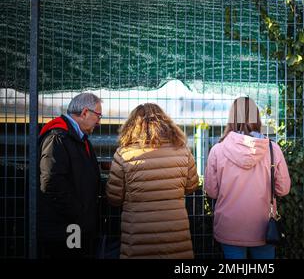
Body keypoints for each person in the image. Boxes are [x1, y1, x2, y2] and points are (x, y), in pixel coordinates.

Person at [106, 103, 199, 259]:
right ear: (166, 123)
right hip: (174, 235)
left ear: (131, 126)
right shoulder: (182, 150)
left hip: (138, 237)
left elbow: (114, 198)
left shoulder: (124, 154)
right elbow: (192, 186)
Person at [204, 97, 291, 259]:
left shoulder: (217, 150)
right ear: (257, 117)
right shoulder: (273, 149)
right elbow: (283, 189)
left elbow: (211, 192)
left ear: (232, 118)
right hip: (264, 227)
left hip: (229, 227)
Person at [38, 93, 103, 258]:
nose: (100, 121)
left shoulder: (76, 137)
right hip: (67, 226)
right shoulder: (58, 137)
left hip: (74, 224)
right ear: (84, 113)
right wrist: (79, 213)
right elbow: (51, 182)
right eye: (98, 115)